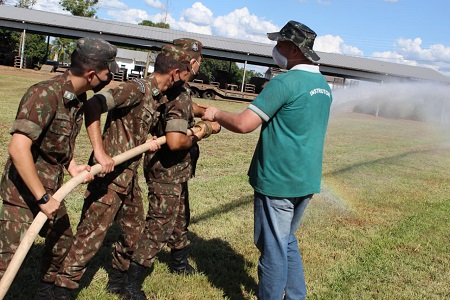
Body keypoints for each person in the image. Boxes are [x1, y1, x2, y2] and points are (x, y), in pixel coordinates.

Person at [51, 41, 205, 300]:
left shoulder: (157, 95)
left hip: (128, 177)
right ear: (176, 73)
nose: (189, 75)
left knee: (133, 235)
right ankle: (60, 291)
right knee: (89, 239)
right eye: (187, 71)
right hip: (108, 179)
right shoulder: (137, 89)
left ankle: (118, 282)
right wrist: (99, 151)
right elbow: (93, 105)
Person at [201, 20, 332, 300]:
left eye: (280, 44)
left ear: (294, 49)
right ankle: (296, 296)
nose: (275, 49)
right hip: (305, 180)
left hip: (278, 181)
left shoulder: (285, 81)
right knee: (285, 242)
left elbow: (244, 124)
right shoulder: (322, 84)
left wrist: (216, 114)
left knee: (272, 249)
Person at [0, 37, 119, 300]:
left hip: (50, 190)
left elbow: (56, 143)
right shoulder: (44, 94)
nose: (110, 76)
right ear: (91, 74)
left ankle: (45, 295)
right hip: (23, 193)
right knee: (7, 261)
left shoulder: (76, 99)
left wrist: (72, 166)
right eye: (107, 71)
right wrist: (41, 198)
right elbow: (18, 149)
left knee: (62, 244)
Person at [121, 38, 213, 299]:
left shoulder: (176, 86)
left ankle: (179, 263)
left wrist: (205, 111)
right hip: (166, 169)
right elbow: (174, 141)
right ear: (190, 62)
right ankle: (131, 284)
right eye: (198, 62)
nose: (198, 66)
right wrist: (204, 130)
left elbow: (186, 106)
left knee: (181, 215)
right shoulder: (174, 90)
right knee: (159, 224)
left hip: (177, 169)